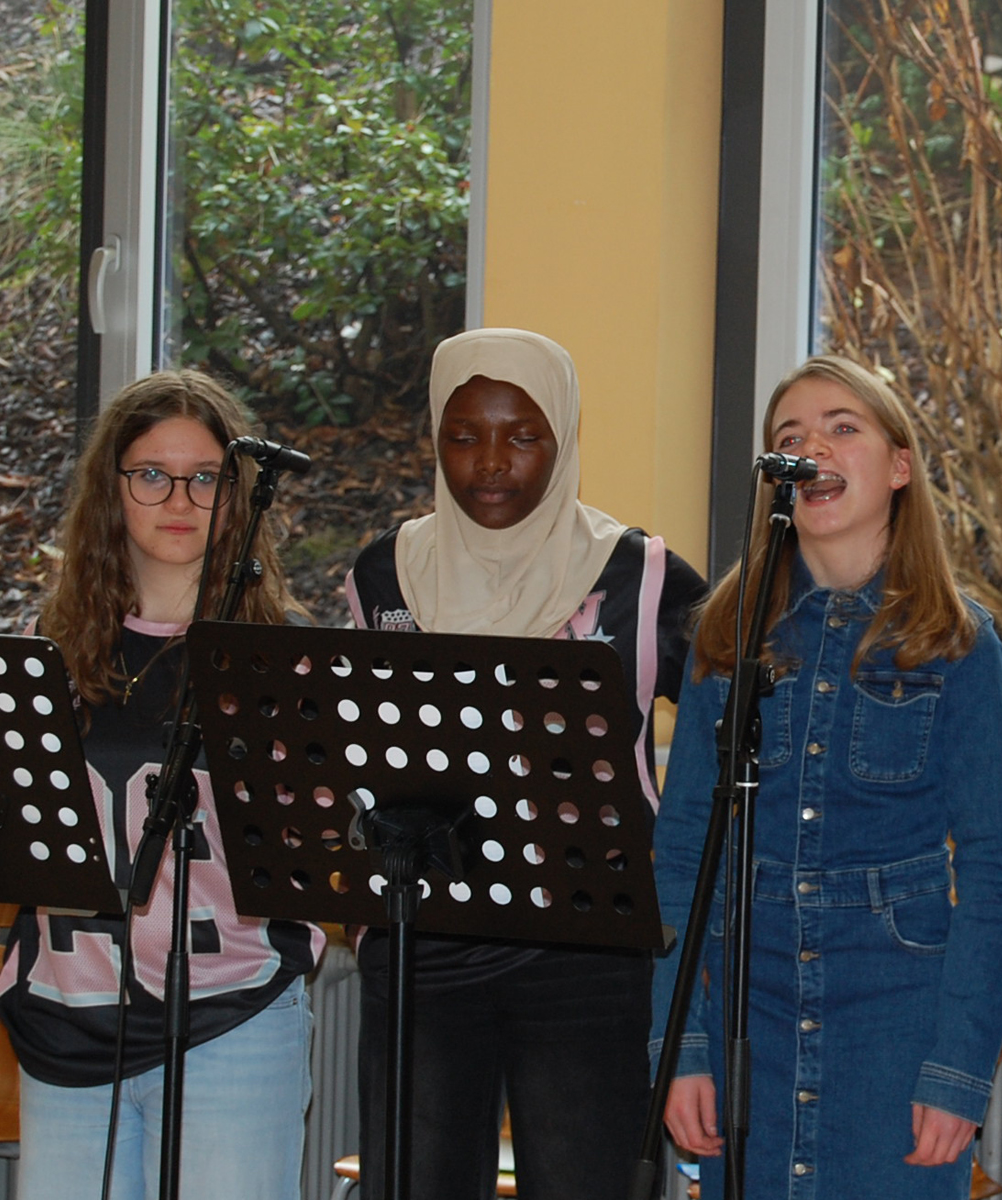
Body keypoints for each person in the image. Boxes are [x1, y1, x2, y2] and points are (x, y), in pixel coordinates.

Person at [651, 355, 1002, 1199]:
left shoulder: (959, 643)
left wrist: (959, 1069)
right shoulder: (728, 634)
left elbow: (994, 874)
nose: (812, 447)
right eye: (791, 436)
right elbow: (681, 857)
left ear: (899, 467)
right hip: (751, 1016)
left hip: (898, 1022)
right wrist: (682, 1047)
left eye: (842, 427)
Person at [345, 327, 706, 1200]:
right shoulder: (383, 574)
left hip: (587, 957)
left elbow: (732, 739)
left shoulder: (642, 575)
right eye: (463, 435)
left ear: (565, 435)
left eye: (524, 435)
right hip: (421, 946)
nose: (491, 461)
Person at [0, 370, 323, 1200]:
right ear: (112, 489)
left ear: (237, 495)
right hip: (68, 1023)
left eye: (204, 477)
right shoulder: (48, 647)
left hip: (232, 1020)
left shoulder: (284, 654)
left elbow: (324, 854)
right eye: (151, 474)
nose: (179, 499)